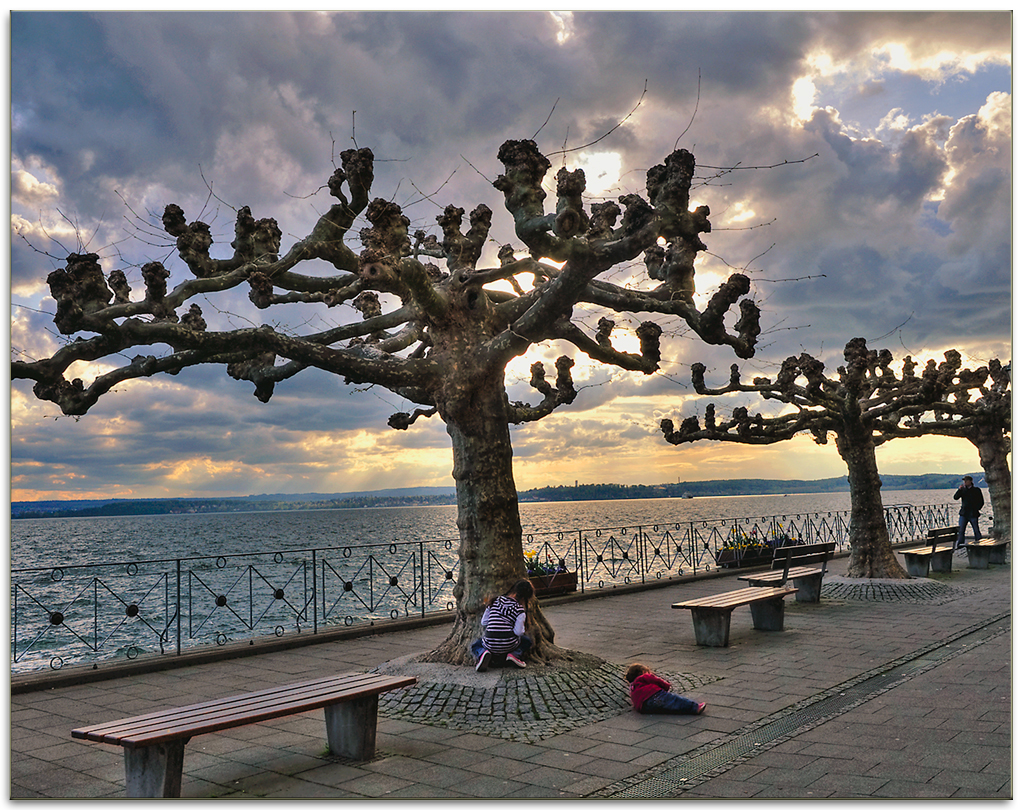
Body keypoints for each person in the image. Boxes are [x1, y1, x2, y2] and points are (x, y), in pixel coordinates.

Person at [472, 579, 534, 672]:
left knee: (475, 645)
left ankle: (483, 653)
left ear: (513, 589)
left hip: (490, 643)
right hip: (509, 645)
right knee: (527, 641)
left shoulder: (494, 601)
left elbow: (484, 622)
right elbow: (518, 632)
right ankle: (514, 655)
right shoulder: (519, 609)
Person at [625, 663, 706, 715]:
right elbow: (657, 680)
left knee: (666, 706)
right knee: (675, 700)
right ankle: (695, 707)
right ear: (642, 672)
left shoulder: (633, 688)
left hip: (644, 707)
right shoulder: (644, 677)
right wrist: (666, 686)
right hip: (654, 695)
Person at [953, 475, 985, 549]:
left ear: (970, 481)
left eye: (966, 481)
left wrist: (977, 508)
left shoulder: (976, 490)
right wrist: (959, 490)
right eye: (964, 481)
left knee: (976, 529)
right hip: (964, 513)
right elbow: (955, 497)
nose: (965, 482)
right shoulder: (963, 490)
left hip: (973, 513)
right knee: (961, 530)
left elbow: (981, 501)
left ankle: (979, 543)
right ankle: (960, 544)